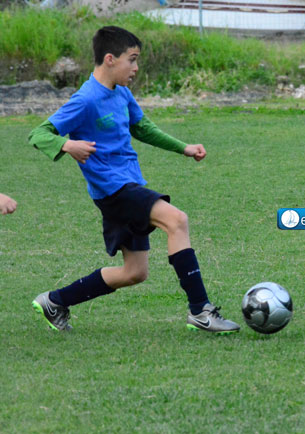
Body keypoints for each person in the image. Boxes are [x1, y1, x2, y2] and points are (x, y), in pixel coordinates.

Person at [29, 26, 239, 334]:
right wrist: (66, 144)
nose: (136, 67)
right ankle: (201, 311)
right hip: (113, 190)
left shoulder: (122, 94)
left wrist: (184, 147)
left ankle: (55, 301)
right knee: (177, 220)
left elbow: (142, 128)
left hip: (128, 185)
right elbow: (38, 133)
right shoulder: (85, 100)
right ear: (110, 59)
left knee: (134, 272)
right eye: (132, 59)